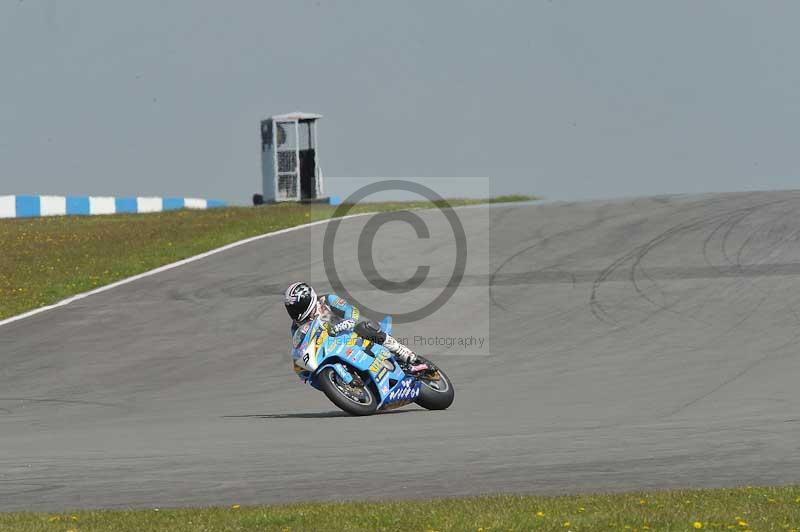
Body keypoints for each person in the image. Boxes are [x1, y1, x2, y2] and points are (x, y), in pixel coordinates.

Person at [283, 281, 419, 364]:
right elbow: (301, 347)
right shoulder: (296, 326)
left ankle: (401, 351)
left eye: (298, 307)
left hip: (351, 336)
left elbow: (352, 311)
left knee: (363, 327)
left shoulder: (327, 300)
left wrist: (347, 322)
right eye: (292, 309)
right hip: (330, 348)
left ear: (309, 299)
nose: (295, 312)